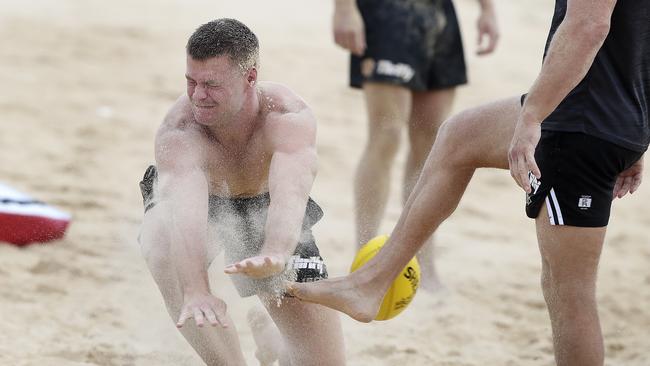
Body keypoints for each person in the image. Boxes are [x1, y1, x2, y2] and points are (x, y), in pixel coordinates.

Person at [289, 0, 649, 364]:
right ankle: (373, 280)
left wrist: (532, 117)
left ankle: (372, 282)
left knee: (570, 292)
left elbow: (589, 26)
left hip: (577, 121)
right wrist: (637, 130)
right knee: (459, 136)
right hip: (612, 115)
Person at [138, 18, 345, 366]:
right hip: (204, 203)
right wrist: (197, 290)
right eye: (191, 81)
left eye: (211, 84)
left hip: (265, 205)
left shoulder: (286, 115)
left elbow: (290, 194)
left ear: (250, 77)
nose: (198, 96)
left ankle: (272, 338)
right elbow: (185, 211)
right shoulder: (180, 131)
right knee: (161, 242)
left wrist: (276, 251)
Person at [333, 0, 499, 290]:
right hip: (385, 13)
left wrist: (487, 9)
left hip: (439, 14)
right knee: (387, 135)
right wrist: (344, 9)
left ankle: (423, 263)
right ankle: (364, 256)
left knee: (432, 142)